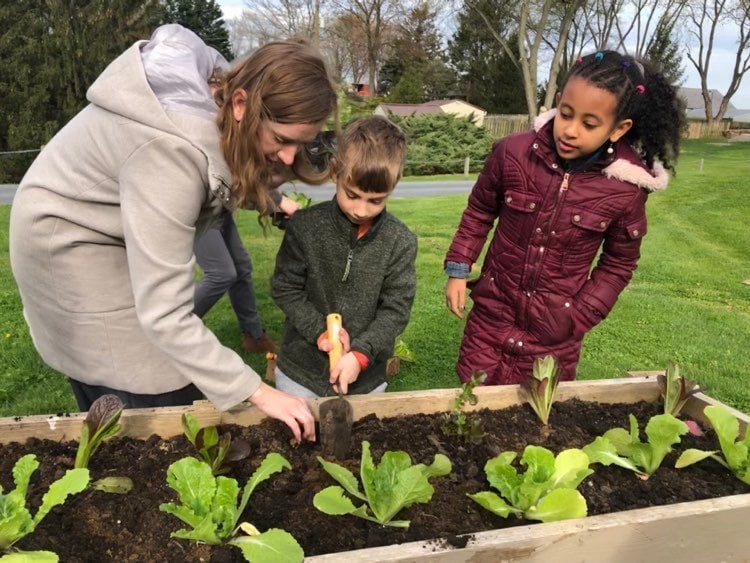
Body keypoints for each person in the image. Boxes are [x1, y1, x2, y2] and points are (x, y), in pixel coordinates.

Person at [9, 24, 338, 442]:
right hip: (67, 242)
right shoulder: (170, 150)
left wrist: (272, 199)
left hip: (101, 227)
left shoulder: (218, 106)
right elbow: (164, 313)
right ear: (240, 104)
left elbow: (230, 169)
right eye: (282, 140)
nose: (289, 157)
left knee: (172, 380)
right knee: (150, 392)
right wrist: (258, 391)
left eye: (302, 143)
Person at [444, 50, 685, 385]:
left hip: (554, 336)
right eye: (566, 114)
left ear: (619, 129)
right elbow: (479, 212)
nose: (570, 131)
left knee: (537, 419)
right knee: (473, 401)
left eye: (589, 124)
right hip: (491, 316)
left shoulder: (626, 191)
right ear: (558, 102)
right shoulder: (511, 154)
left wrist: (579, 315)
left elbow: (619, 263)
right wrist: (458, 269)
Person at [271, 116, 417, 398]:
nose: (361, 210)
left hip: (366, 379)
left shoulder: (400, 241)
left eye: (375, 200)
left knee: (361, 439)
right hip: (301, 374)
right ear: (336, 172)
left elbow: (396, 309)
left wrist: (361, 354)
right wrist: (319, 331)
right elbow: (285, 288)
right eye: (352, 195)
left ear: (393, 187)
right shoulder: (305, 227)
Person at [193, 211, 277, 355]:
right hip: (197, 210)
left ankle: (254, 336)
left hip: (218, 208)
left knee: (241, 268)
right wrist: (278, 202)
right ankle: (168, 327)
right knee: (220, 274)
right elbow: (247, 190)